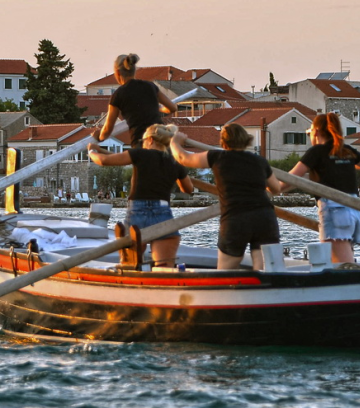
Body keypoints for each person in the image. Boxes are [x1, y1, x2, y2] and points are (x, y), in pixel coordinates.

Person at [171, 124, 286, 270]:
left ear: (223, 142)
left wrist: (174, 142)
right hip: (264, 217)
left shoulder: (217, 157)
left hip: (236, 219)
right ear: (246, 140)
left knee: (226, 271)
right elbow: (275, 188)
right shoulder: (259, 161)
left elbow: (183, 157)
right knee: (265, 271)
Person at [89, 123, 194, 267]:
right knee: (164, 269)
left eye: (144, 141)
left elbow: (103, 160)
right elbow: (188, 189)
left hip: (137, 213)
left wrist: (91, 151)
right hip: (163, 214)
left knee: (130, 266)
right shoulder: (174, 161)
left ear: (150, 140)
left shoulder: (140, 154)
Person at [288, 112, 360, 264]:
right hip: (355, 210)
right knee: (336, 258)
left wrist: (272, 188)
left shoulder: (316, 151)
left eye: (309, 133)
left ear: (315, 132)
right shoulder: (345, 150)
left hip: (334, 210)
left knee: (344, 264)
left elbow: (291, 178)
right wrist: (345, 164)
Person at [96, 54, 177, 147]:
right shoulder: (150, 86)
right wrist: (157, 108)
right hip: (161, 139)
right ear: (134, 70)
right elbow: (172, 108)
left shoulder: (118, 95)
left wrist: (98, 138)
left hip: (141, 142)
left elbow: (107, 129)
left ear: (117, 73)